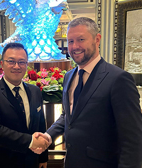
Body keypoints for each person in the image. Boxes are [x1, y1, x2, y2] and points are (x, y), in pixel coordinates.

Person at [37, 17, 142, 168]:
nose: (74, 46)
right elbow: (68, 116)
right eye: (71, 41)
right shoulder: (68, 76)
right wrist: (48, 135)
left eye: (81, 39)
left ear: (96, 39)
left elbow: (132, 139)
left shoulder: (119, 79)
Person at [0, 43, 48, 168]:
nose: (17, 66)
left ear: (27, 65)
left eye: (22, 62)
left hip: (31, 162)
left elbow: (40, 124)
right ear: (2, 64)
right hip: (3, 162)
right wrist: (30, 141)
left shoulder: (35, 91)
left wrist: (43, 157)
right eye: (11, 61)